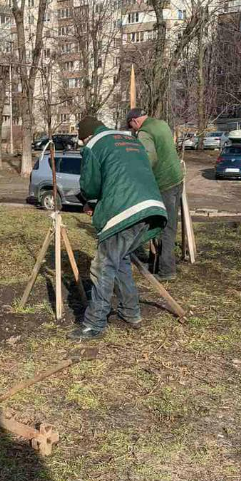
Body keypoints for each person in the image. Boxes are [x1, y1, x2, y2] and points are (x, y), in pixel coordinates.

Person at [73, 116, 167, 341]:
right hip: (152, 207)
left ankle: (94, 324)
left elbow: (91, 186)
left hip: (124, 210)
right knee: (121, 260)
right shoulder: (130, 139)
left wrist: (91, 201)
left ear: (86, 136)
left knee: (102, 266)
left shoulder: (94, 145)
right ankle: (130, 313)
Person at [126, 108, 184, 280]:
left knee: (162, 226)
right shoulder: (162, 124)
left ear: (135, 121)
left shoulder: (144, 133)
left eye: (131, 127)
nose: (133, 131)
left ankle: (166, 270)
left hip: (163, 184)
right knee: (171, 226)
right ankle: (158, 263)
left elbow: (148, 160)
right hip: (177, 179)